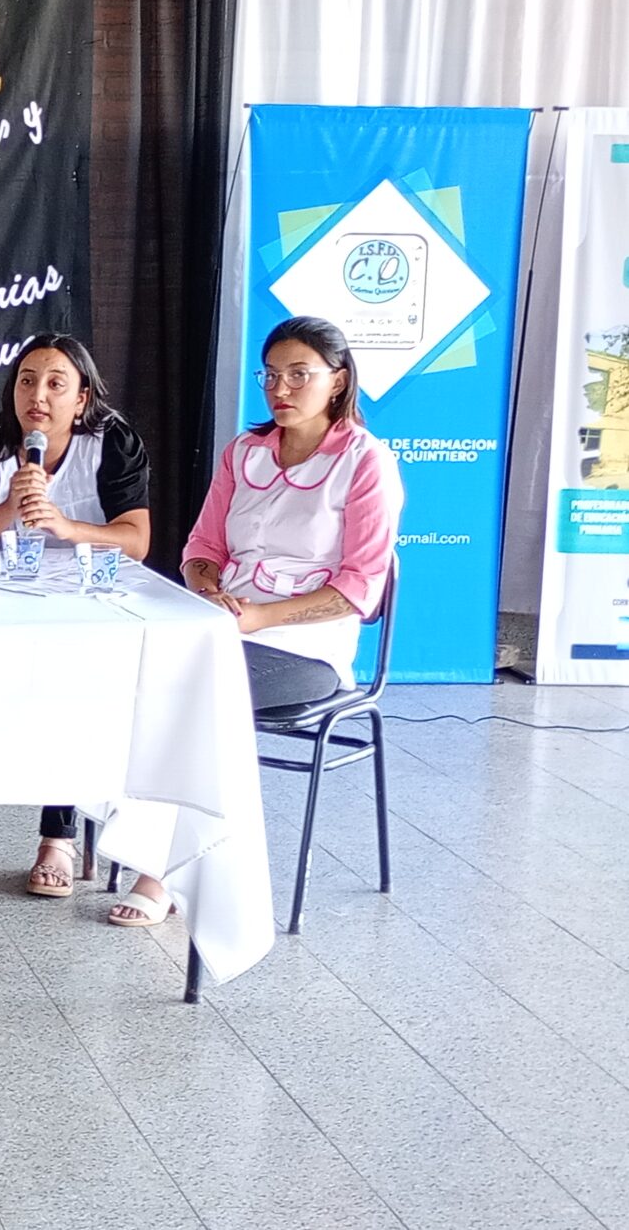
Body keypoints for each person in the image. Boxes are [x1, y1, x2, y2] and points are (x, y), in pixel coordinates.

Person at [109, 315, 402, 929]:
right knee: (130, 676)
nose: (280, 389)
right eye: (270, 375)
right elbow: (201, 549)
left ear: (338, 380)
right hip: (223, 625)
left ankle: (164, 871)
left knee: (192, 698)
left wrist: (260, 617)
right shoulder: (244, 452)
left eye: (299, 375)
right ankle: (128, 846)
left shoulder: (366, 462)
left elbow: (359, 590)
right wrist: (210, 591)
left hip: (307, 649)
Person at [0, 333, 151, 890]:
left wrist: (65, 526)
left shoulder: (113, 445)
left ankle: (59, 839)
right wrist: (9, 506)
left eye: (57, 384)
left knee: (75, 690)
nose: (39, 396)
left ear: (81, 399)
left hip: (83, 607)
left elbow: (136, 540)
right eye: (27, 381)